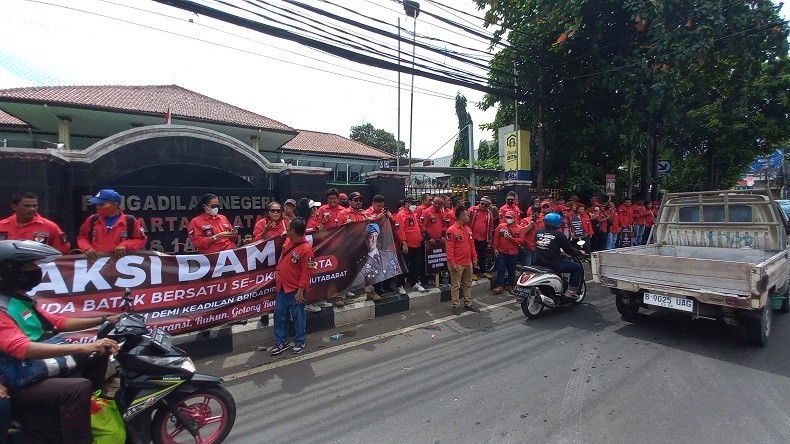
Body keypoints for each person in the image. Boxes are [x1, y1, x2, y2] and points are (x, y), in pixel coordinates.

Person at [0, 240, 121, 444]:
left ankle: (85, 413)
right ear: (10, 272)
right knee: (78, 387)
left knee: (99, 353)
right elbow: (22, 348)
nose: (36, 270)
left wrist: (105, 319)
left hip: (32, 368)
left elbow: (57, 322)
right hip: (18, 379)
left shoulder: (18, 300)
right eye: (29, 266)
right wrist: (85, 346)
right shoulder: (3, 308)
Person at [269, 218, 315, 356]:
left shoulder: (306, 249)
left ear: (293, 231)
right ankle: (281, 342)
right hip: (282, 287)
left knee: (298, 316)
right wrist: (278, 270)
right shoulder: (289, 241)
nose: (286, 229)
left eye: (288, 227)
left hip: (295, 290)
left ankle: (300, 341)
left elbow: (307, 272)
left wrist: (300, 291)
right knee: (279, 315)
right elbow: (283, 257)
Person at [76, 189, 147, 260]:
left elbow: (141, 240)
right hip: (96, 263)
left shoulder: (130, 221)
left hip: (121, 263)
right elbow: (82, 237)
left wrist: (125, 245)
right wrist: (87, 248)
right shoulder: (92, 219)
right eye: (97, 204)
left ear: (115, 205)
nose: (98, 207)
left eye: (101, 204)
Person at [533, 213, 586, 303]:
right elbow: (569, 250)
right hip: (552, 263)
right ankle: (571, 292)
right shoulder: (559, 235)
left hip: (537, 261)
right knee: (577, 268)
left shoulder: (538, 232)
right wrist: (580, 252)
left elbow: (543, 245)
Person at [0, 192, 70, 254]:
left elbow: (63, 250)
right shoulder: (2, 225)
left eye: (35, 206)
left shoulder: (50, 226)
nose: (32, 209)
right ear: (14, 207)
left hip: (38, 264)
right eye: (27, 206)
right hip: (7, 264)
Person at [349, 223, 400, 303]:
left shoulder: (387, 255)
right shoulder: (361, 260)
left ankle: (374, 291)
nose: (373, 240)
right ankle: (369, 291)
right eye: (370, 237)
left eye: (375, 236)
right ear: (366, 240)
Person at [445, 207, 479, 315]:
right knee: (455, 285)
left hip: (468, 262)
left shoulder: (468, 229)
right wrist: (452, 263)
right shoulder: (451, 230)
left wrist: (475, 258)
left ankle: (468, 303)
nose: (469, 217)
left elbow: (472, 245)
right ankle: (455, 305)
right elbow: (449, 249)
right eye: (467, 215)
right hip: (457, 263)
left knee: (467, 284)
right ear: (462, 217)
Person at [394, 197, 428, 293]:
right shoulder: (401, 215)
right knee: (403, 266)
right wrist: (404, 243)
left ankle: (414, 283)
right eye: (412, 203)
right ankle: (400, 285)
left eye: (415, 203)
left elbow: (418, 226)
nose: (414, 205)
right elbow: (400, 230)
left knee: (415, 265)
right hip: (407, 245)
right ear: (406, 204)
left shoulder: (413, 214)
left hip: (416, 244)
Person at [492, 210, 526, 294]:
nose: (508, 219)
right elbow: (496, 237)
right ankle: (500, 286)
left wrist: (512, 239)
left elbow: (522, 240)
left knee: (512, 269)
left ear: (514, 218)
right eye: (507, 217)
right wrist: (495, 249)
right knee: (501, 269)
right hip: (502, 251)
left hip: (513, 252)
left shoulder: (519, 228)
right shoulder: (501, 226)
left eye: (510, 217)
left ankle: (510, 285)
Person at [468, 196, 495, 280]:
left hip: (483, 238)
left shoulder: (489, 213)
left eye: (486, 205)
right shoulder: (473, 210)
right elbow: (467, 221)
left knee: (482, 255)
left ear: (488, 206)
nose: (483, 206)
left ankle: (483, 271)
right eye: (482, 203)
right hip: (472, 237)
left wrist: (490, 237)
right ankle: (472, 272)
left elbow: (490, 226)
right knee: (472, 255)